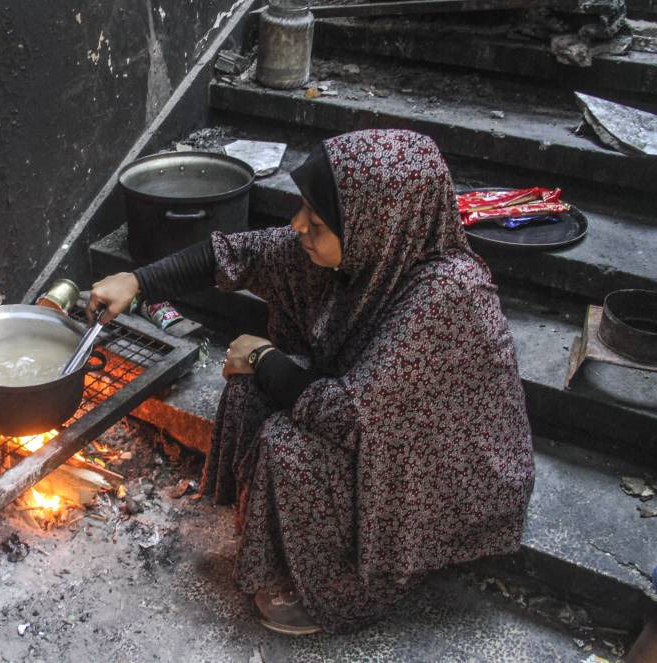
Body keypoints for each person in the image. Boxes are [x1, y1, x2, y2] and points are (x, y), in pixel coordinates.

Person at [88, 129, 535, 636]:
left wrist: (262, 355)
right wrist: (138, 281)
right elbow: (237, 254)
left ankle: (353, 588)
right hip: (365, 412)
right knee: (248, 389)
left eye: (315, 220)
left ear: (375, 227)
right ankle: (284, 546)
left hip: (437, 470)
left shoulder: (447, 294)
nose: (297, 224)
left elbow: (347, 417)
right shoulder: (356, 250)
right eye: (302, 207)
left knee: (287, 445)